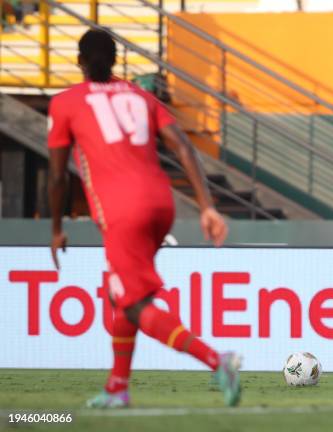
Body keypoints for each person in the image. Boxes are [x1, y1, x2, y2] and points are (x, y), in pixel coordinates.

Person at [47, 29, 240, 408]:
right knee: (122, 297)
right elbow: (183, 146)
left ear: (79, 62)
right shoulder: (141, 97)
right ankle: (118, 387)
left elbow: (56, 177)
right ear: (116, 61)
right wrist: (206, 206)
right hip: (161, 202)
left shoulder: (66, 102)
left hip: (123, 210)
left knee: (134, 303)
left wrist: (55, 229)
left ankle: (218, 361)